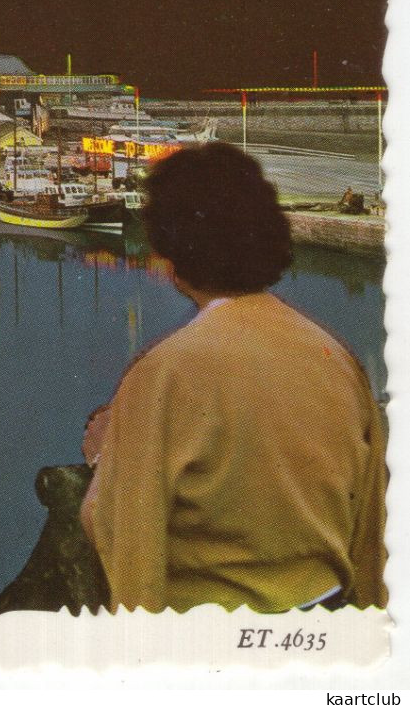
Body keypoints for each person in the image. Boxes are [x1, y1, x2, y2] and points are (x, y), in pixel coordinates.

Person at [80, 143, 386, 612]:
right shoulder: (336, 357)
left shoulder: (165, 371)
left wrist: (106, 453)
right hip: (324, 624)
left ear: (169, 249)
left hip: (218, 640)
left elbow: (122, 539)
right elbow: (373, 529)